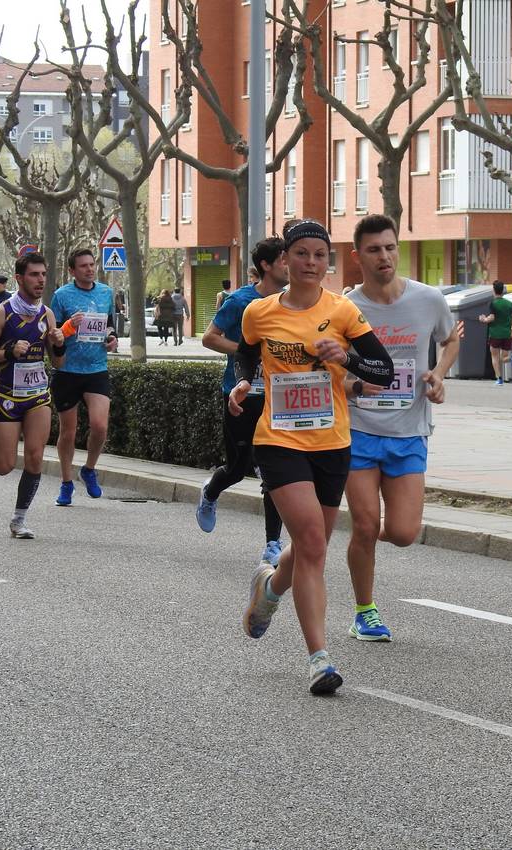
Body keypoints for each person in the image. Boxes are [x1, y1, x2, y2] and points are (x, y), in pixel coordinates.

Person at [233, 218, 393, 696]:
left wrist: (345, 358)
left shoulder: (342, 312)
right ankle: (319, 658)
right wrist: (244, 380)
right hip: (278, 440)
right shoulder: (259, 312)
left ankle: (270, 588)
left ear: (329, 262)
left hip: (332, 443)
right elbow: (245, 354)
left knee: (311, 544)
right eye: (301, 254)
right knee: (313, 544)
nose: (310, 263)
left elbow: (381, 370)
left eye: (320, 255)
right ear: (286, 260)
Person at [343, 214, 459, 641]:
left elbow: (450, 339)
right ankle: (364, 611)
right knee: (365, 524)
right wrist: (354, 385)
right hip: (358, 429)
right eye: (374, 250)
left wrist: (439, 374)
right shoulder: (345, 307)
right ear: (358, 256)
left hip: (409, 431)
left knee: (405, 533)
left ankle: (366, 542)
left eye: (390, 247)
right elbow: (328, 362)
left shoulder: (429, 300)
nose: (384, 256)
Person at [196, 241, 287, 566]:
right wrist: (247, 353)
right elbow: (210, 337)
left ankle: (273, 544)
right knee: (237, 469)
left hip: (278, 399)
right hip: (240, 394)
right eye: (284, 259)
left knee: (273, 471)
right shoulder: (241, 301)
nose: (290, 264)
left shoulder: (293, 301)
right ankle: (211, 492)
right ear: (266, 265)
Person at [0, 253, 66, 538]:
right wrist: (7, 351)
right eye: (34, 274)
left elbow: (58, 363)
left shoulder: (46, 314)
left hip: (38, 395)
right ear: (19, 278)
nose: (40, 280)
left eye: (43, 274)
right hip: (6, 396)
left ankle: (18, 520)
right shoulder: (2, 312)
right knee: (6, 464)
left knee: (36, 457)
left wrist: (59, 345)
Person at [49, 249, 119, 507]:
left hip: (96, 368)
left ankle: (89, 469)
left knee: (100, 426)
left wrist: (112, 339)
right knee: (69, 431)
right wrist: (69, 326)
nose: (89, 269)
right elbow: (52, 333)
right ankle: (66, 483)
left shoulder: (106, 292)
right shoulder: (62, 295)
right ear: (72, 270)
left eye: (92, 265)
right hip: (67, 370)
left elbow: (110, 324)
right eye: (83, 266)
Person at [478, 280, 512, 385]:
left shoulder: (493, 303)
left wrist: (483, 320)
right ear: (503, 291)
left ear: (494, 291)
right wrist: (509, 321)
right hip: (507, 334)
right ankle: (511, 357)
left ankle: (499, 379)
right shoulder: (510, 304)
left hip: (495, 334)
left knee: (495, 357)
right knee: (504, 358)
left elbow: (492, 317)